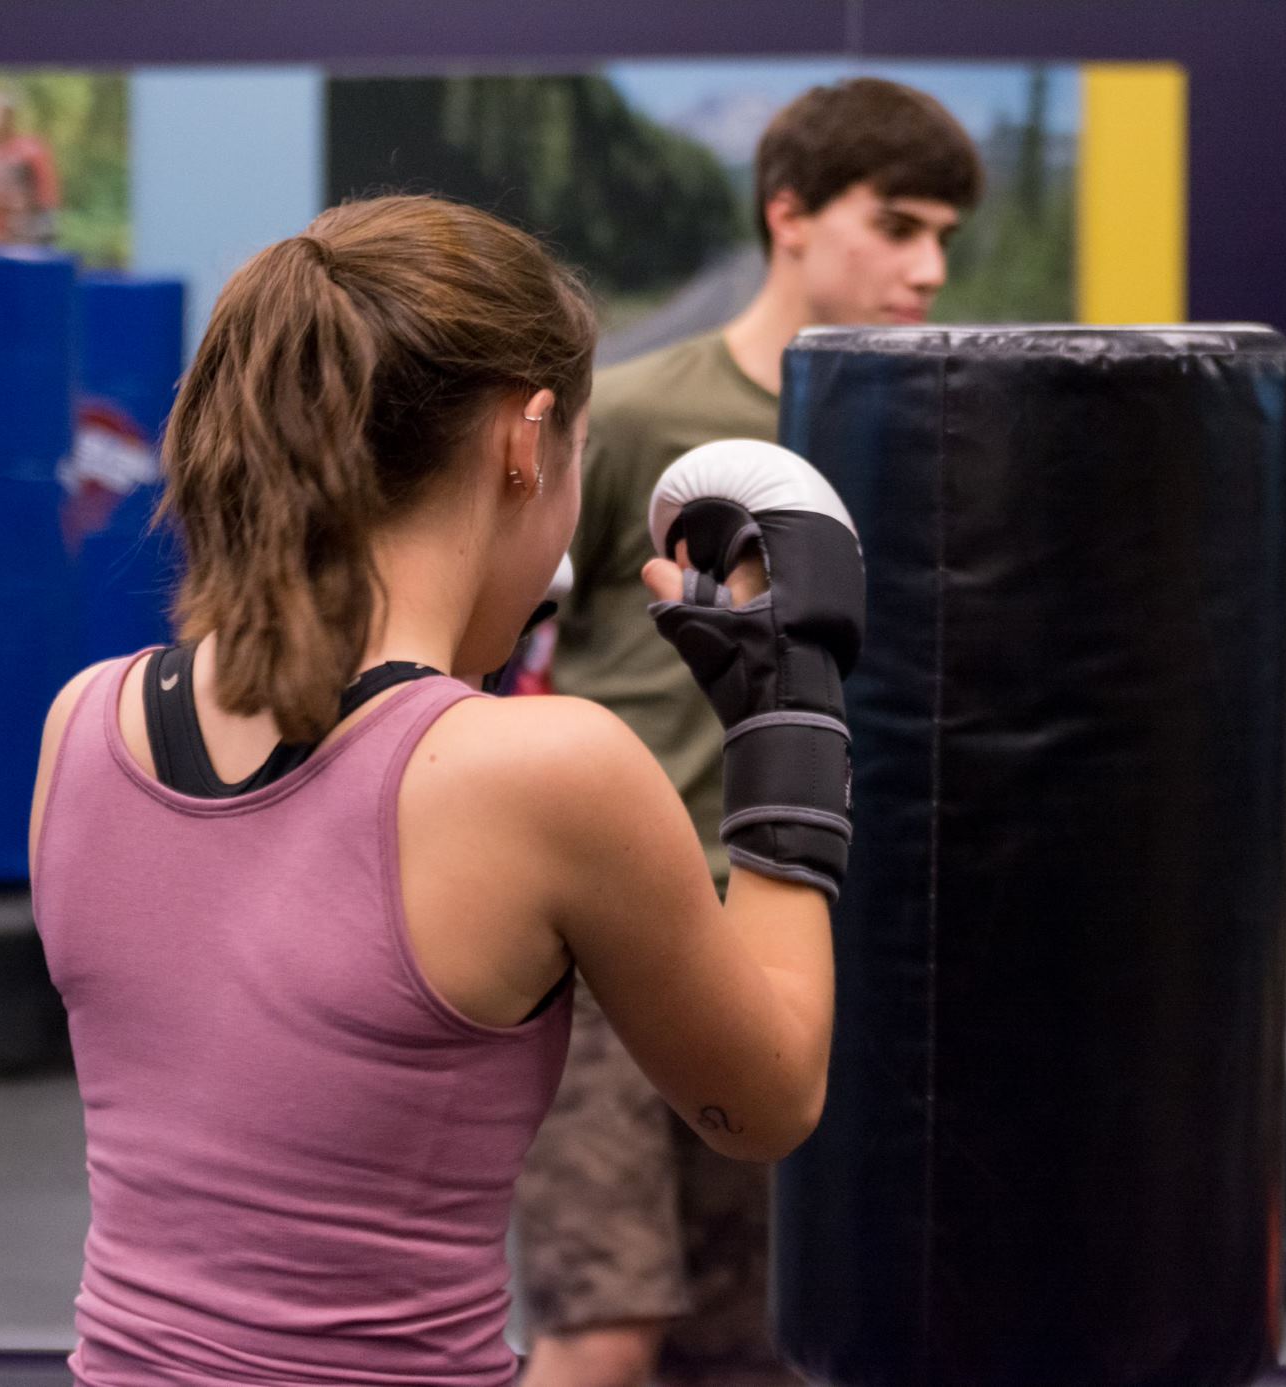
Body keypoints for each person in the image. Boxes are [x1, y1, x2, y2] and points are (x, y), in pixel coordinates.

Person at [26, 194, 848, 1386]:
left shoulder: (82, 725)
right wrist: (789, 725)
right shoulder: (547, 770)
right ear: (527, 441)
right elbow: (768, 1100)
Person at [514, 77, 983, 1387]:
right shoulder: (646, 411)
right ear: (787, 215)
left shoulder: (931, 437)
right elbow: (504, 634)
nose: (926, 266)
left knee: (749, 1345)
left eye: (942, 235)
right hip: (609, 939)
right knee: (602, 1332)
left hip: (784, 939)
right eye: (894, 225)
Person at [0, 89, 60, 246]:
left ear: (10, 115)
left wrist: (37, 234)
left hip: (26, 243)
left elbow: (47, 201)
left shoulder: (32, 151)